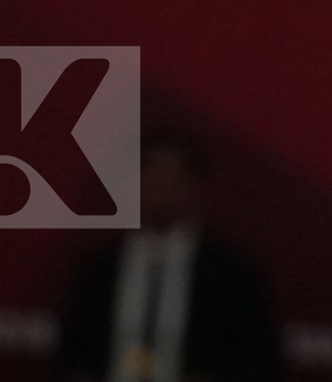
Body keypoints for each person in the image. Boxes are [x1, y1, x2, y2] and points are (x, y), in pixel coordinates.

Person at [57, 128, 281, 382]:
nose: (161, 187)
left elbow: (258, 360)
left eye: (172, 177)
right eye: (150, 176)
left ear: (195, 185)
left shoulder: (232, 275)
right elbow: (73, 356)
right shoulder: (98, 270)